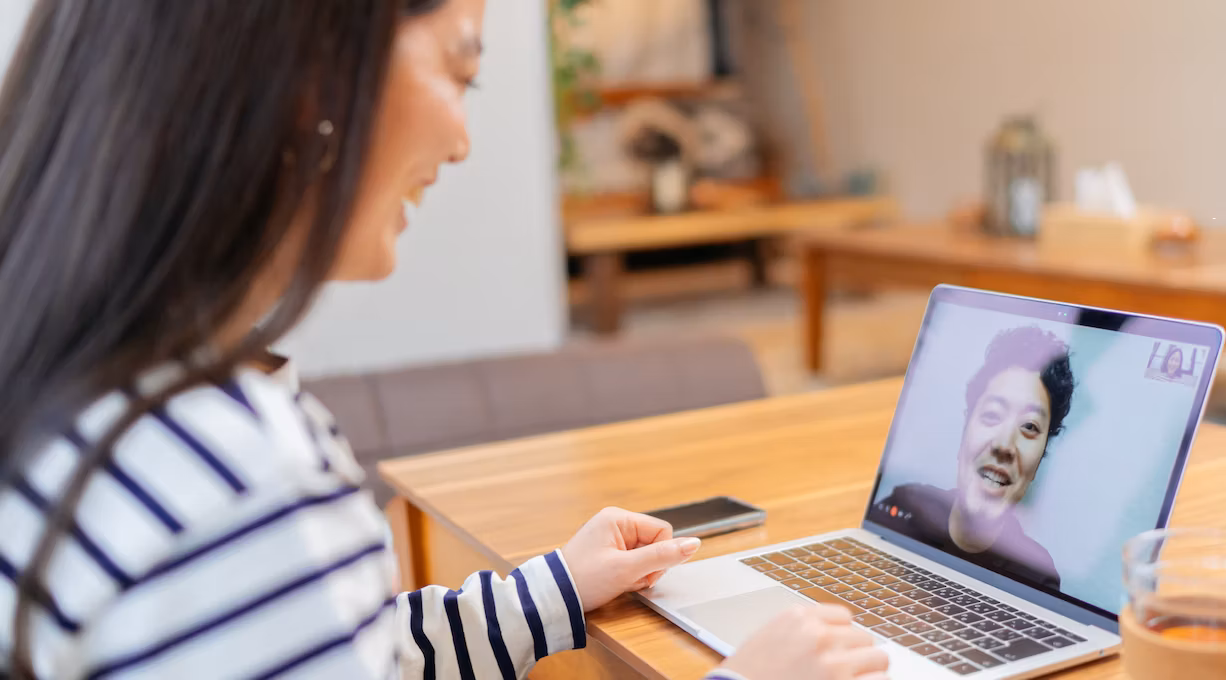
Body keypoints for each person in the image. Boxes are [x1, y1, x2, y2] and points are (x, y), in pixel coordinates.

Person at [0, 2, 888, 679]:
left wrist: (554, 591)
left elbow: (350, 653)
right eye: (460, 71)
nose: (462, 141)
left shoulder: (82, 389)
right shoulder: (237, 475)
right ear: (313, 71)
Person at [872, 326, 1075, 590]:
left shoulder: (1036, 575)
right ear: (965, 429)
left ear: (1039, 461)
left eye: (1029, 427)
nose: (1004, 445)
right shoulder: (904, 509)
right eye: (992, 415)